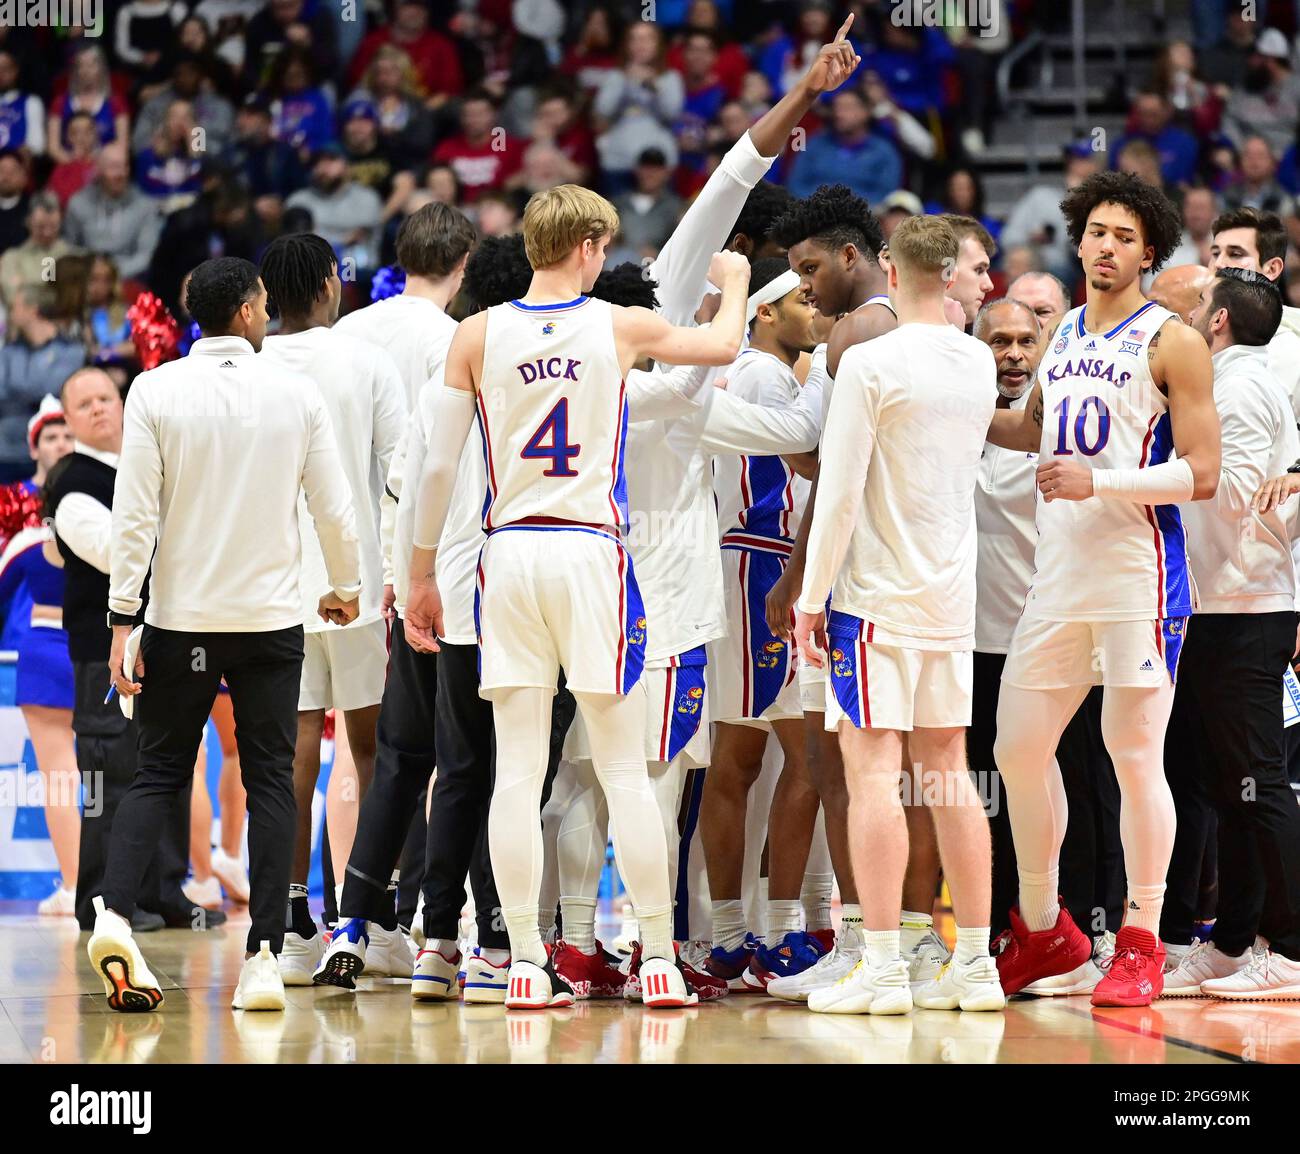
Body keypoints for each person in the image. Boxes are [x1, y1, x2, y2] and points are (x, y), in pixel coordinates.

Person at [403, 184, 751, 1009]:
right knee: (626, 769)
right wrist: (734, 278)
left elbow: (440, 468)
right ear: (591, 246)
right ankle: (660, 961)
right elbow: (724, 347)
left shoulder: (476, 334)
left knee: (517, 772)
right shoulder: (618, 324)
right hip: (592, 550)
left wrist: (418, 575)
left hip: (511, 553)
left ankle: (523, 963)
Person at [86, 257, 361, 1014]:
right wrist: (345, 588)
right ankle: (266, 958)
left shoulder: (155, 389)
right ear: (244, 311)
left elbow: (134, 517)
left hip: (181, 622)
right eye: (264, 306)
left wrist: (122, 619)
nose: (270, 316)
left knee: (158, 774)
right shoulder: (296, 393)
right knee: (273, 779)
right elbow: (334, 510)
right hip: (271, 623)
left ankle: (112, 917)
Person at [987, 171, 1221, 1007]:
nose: (1107, 246)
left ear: (1149, 251)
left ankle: (1142, 937)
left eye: (1125, 237)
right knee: (1016, 747)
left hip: (1137, 579)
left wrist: (1102, 484)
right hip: (1060, 579)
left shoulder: (1173, 339)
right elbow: (1026, 428)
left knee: (1132, 756)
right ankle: (1046, 930)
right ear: (1077, 240)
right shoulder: (1064, 337)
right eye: (1096, 232)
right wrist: (944, 401)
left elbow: (1202, 474)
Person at [793, 213, 1004, 1015]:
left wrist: (812, 599)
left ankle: (882, 968)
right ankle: (975, 967)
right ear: (949, 273)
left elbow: (840, 491)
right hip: (952, 599)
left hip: (876, 600)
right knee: (950, 778)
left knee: (875, 774)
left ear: (891, 267)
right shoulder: (980, 362)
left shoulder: (871, 362)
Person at [256, 234, 406, 986]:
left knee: (290, 759)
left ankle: (288, 925)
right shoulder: (365, 361)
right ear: (325, 286)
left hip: (273, 590)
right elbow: (403, 474)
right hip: (358, 587)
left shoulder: (249, 364)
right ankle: (369, 917)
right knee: (376, 752)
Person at [763, 181, 900, 1001]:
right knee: (832, 762)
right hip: (847, 569)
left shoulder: (861, 335)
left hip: (865, 578)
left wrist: (798, 578)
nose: (802, 285)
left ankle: (875, 943)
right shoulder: (858, 332)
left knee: (859, 767)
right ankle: (865, 939)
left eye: (811, 266)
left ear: (853, 256)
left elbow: (828, 465)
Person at [970, 299, 1123, 992]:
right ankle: (1015, 930)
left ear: (1045, 343)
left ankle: (1092, 928)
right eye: (997, 339)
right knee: (993, 793)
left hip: (1065, 627)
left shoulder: (1067, 411)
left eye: (1024, 338)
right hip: (978, 639)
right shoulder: (967, 421)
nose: (1011, 352)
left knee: (1089, 789)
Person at [1159, 268, 1300, 1000]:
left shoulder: (1239, 388)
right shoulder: (1230, 379)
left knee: (1259, 782)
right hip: (1218, 607)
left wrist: (1139, 482)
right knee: (1229, 786)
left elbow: (1230, 490)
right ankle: (1234, 944)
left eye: (1183, 308)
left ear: (1215, 323)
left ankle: (1295, 948)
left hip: (1246, 608)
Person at [45, 368, 210, 934]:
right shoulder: (71, 483)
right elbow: (118, 552)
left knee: (169, 768)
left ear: (123, 402)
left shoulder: (150, 464)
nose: (98, 409)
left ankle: (165, 891)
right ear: (67, 420)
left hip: (167, 639)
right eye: (83, 403)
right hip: (102, 649)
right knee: (109, 774)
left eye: (105, 398)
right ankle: (102, 899)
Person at [0, 401, 75, 914]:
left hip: (48, 651)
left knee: (63, 775)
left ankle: (76, 887)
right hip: (99, 653)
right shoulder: (110, 533)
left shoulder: (28, 542)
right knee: (102, 777)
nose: (60, 442)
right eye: (51, 436)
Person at [1208, 207, 1300, 424]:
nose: (1218, 263)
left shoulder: (1290, 351)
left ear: (1272, 268)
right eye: (1215, 253)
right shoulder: (1197, 332)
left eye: (1235, 254)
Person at [0, 286, 87, 480]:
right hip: (6, 449)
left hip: (53, 450)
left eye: (15, 307)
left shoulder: (71, 350)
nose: (10, 313)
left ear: (32, 309)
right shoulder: (8, 351)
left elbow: (52, 390)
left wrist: (19, 388)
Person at [63, 145, 163, 283]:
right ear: (99, 169)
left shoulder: (145, 206)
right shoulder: (78, 203)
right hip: (87, 279)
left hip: (129, 279)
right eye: (114, 167)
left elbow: (146, 256)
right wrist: (92, 274)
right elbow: (70, 249)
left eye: (124, 166)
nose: (121, 173)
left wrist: (110, 276)